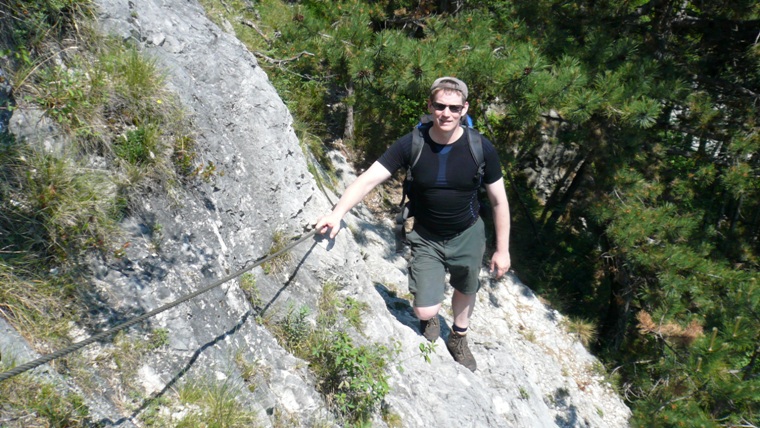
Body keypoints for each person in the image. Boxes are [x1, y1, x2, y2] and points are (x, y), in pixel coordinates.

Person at [315, 77, 511, 372]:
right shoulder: (413, 143)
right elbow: (369, 178)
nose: (446, 113)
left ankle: (459, 336)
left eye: (454, 108)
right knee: (423, 310)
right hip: (426, 235)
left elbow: (499, 201)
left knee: (466, 285)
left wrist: (502, 250)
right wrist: (337, 213)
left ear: (464, 109)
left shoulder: (480, 148)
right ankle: (431, 313)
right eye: (440, 106)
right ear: (430, 106)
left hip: (467, 232)